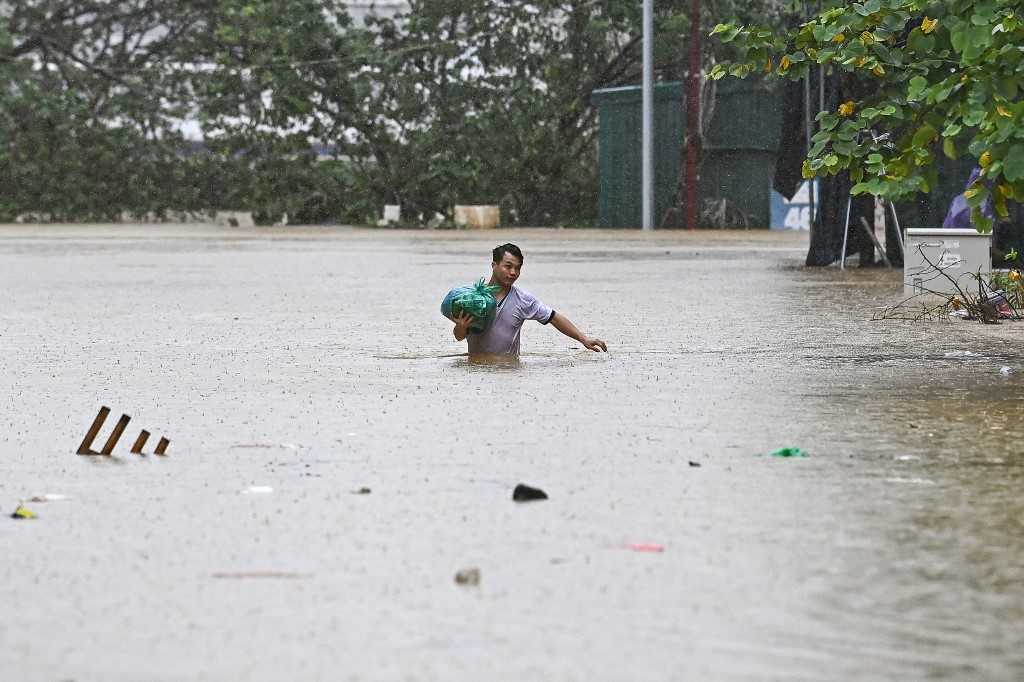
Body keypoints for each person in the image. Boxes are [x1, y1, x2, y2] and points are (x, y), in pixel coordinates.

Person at [447, 243, 607, 355]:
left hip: (508, 370)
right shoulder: (474, 300)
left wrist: (583, 339)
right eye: (508, 266)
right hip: (477, 369)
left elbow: (554, 317)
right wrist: (461, 326)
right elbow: (459, 336)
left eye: (517, 268)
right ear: (493, 265)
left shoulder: (523, 300)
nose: (513, 272)